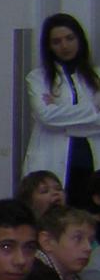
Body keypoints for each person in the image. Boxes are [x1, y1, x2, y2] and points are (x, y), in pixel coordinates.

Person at [23, 12, 100, 207]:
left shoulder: (97, 76)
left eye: (69, 38)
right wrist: (93, 109)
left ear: (80, 39)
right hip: (53, 162)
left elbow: (54, 117)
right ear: (49, 46)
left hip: (91, 162)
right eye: (56, 42)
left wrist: (61, 115)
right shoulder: (38, 78)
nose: (64, 46)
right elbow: (46, 116)